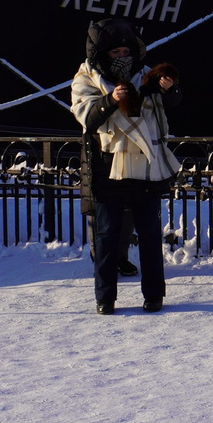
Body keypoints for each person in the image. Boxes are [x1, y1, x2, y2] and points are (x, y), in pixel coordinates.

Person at [69, 17, 181, 314]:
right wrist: (109, 100)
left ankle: (154, 296)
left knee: (150, 236)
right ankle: (105, 299)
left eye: (125, 51)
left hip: (146, 168)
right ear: (102, 55)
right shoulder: (87, 79)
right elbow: (88, 120)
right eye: (115, 52)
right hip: (109, 168)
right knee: (106, 237)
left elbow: (172, 105)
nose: (122, 57)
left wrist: (168, 90)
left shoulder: (146, 77)